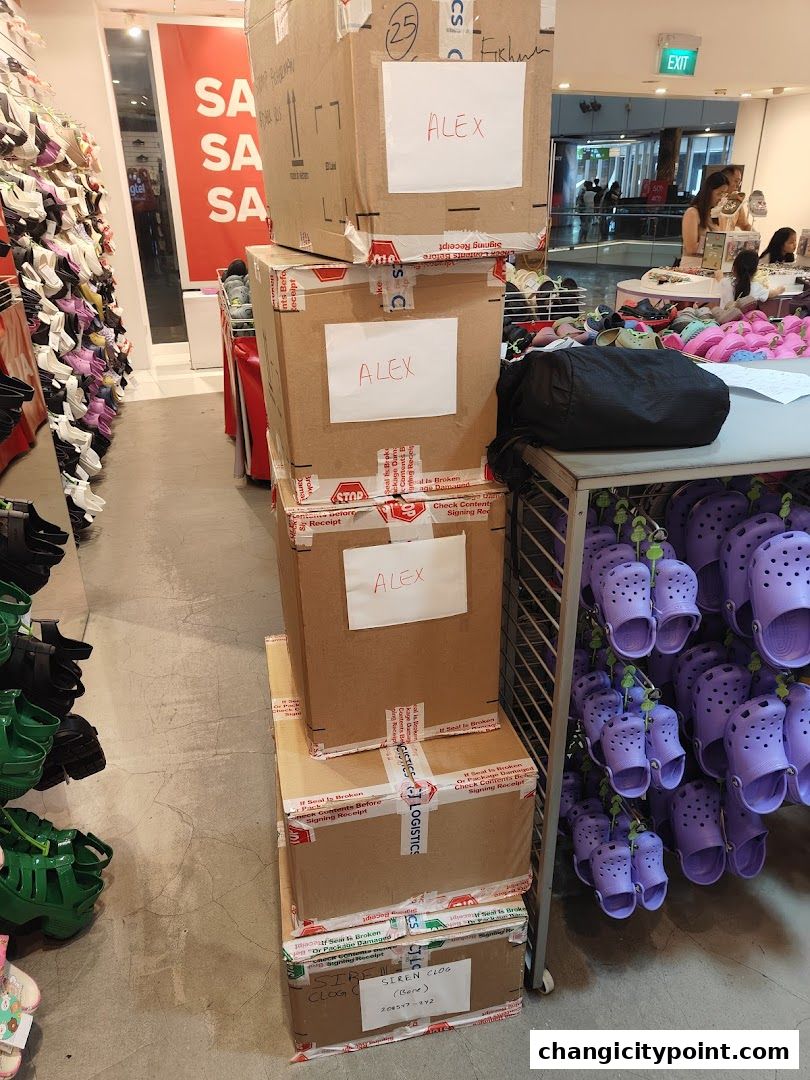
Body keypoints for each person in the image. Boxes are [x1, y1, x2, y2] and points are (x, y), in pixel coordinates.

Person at [682, 172, 730, 257]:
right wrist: (717, 242)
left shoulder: (715, 215)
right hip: (692, 266)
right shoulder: (692, 213)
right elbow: (690, 248)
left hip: (711, 265)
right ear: (708, 192)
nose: (721, 198)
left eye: (724, 194)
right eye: (719, 193)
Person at [719, 249, 784, 308]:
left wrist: (719, 274)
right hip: (746, 320)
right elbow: (771, 293)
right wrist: (779, 290)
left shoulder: (725, 283)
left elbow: (720, 280)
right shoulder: (756, 287)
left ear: (734, 269)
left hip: (724, 319)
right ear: (755, 272)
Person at [715, 164, 753, 231]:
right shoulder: (713, 198)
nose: (738, 186)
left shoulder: (737, 200)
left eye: (739, 183)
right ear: (725, 179)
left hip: (729, 240)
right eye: (736, 181)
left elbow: (745, 225)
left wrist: (754, 234)